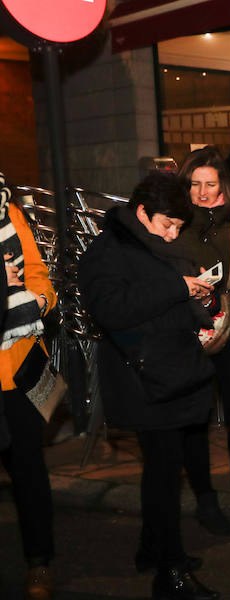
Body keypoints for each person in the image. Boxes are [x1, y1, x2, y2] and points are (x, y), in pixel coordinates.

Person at [78, 172, 219, 600]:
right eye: (168, 224)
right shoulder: (108, 251)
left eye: (179, 226)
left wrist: (199, 300)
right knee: (163, 474)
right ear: (142, 212)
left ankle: (152, 549)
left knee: (162, 470)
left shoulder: (154, 244)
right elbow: (113, 310)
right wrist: (177, 287)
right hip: (142, 378)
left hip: (169, 372)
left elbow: (165, 301)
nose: (174, 234)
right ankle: (170, 572)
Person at [174, 147, 230, 528]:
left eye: (210, 184)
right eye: (194, 184)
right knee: (194, 417)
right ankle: (204, 495)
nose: (202, 192)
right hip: (187, 332)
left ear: (223, 185)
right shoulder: (174, 222)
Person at [0, 172, 58, 599]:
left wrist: (37, 300)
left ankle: (39, 561)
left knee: (28, 468)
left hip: (17, 364)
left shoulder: (11, 212)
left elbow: (38, 274)